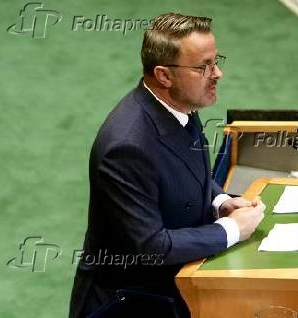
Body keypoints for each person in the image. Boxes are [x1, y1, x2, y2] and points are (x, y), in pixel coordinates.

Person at [69, 13, 265, 318]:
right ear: (164, 75)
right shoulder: (126, 146)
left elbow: (182, 172)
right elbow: (151, 246)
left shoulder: (180, 104)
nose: (218, 73)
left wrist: (220, 202)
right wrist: (231, 230)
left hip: (174, 288)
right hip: (128, 305)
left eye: (216, 61)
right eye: (204, 66)